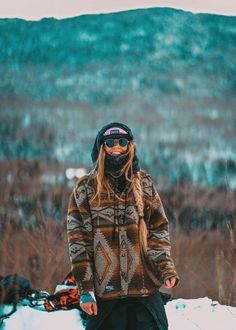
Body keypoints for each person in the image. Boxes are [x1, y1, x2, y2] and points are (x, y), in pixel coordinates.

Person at [67, 122, 180, 330]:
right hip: (105, 292)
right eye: (110, 142)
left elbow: (158, 230)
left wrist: (166, 268)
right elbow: (78, 243)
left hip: (144, 288)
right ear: (101, 147)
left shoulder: (144, 182)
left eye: (122, 141)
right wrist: (85, 289)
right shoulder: (85, 188)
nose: (116, 146)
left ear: (130, 146)